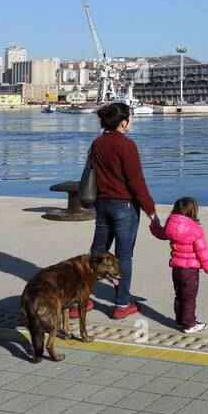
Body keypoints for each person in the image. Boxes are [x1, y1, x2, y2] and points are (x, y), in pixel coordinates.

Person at [88, 102, 158, 318]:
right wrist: (151, 210)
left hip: (103, 204)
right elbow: (136, 182)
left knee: (96, 254)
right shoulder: (127, 146)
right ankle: (121, 304)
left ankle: (78, 299)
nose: (132, 121)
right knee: (123, 256)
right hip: (124, 207)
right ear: (123, 122)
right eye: (131, 117)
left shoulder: (97, 143)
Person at [149, 195, 208, 332]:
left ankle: (181, 319)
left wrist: (154, 224)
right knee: (189, 297)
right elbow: (203, 251)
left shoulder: (170, 225)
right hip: (190, 270)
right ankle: (189, 324)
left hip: (176, 269)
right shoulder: (195, 230)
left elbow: (161, 234)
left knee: (179, 294)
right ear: (193, 211)